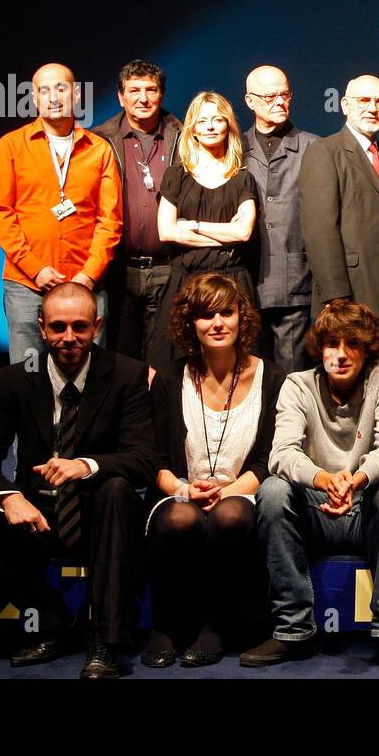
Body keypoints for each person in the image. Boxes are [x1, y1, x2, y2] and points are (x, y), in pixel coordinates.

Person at [0, 282, 157, 679]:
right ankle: (51, 624)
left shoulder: (126, 375)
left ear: (97, 326)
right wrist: (7, 497)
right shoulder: (12, 381)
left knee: (117, 490)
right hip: (39, 511)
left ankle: (106, 639)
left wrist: (85, 465)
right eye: (58, 327)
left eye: (80, 327)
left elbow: (144, 458)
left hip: (99, 511)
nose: (69, 338)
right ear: (41, 327)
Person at [242, 299, 379, 675]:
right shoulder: (297, 384)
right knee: (272, 490)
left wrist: (356, 479)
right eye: (331, 344)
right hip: (316, 509)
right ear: (318, 348)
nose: (340, 355)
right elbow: (282, 454)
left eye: (351, 344)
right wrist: (324, 479)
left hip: (366, 506)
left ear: (367, 348)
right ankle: (292, 628)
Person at [144, 273, 285, 669]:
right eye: (206, 315)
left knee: (231, 514)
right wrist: (183, 488)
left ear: (243, 318)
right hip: (178, 491)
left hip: (242, 493)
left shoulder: (272, 378)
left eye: (227, 312)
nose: (218, 323)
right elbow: (150, 455)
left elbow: (270, 457)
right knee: (180, 519)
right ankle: (168, 624)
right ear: (190, 323)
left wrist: (227, 491)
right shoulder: (170, 378)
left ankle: (216, 624)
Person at [0, 61, 120, 363]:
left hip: (86, 284)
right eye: (44, 90)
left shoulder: (98, 150)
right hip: (27, 285)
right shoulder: (11, 146)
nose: (53, 96)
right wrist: (35, 268)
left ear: (76, 95)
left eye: (61, 88)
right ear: (34, 99)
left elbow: (109, 220)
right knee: (28, 376)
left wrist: (89, 274)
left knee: (90, 378)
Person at [150, 91, 260, 369]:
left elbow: (244, 233)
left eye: (217, 120)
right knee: (173, 369)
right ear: (193, 129)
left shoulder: (242, 177)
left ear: (228, 126)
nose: (210, 126)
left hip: (233, 282)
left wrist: (195, 226)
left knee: (238, 367)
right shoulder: (176, 175)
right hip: (185, 283)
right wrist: (225, 234)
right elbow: (167, 231)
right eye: (202, 121)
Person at [299, 74, 379, 345]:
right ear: (345, 105)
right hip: (351, 294)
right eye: (363, 100)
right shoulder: (324, 152)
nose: (372, 108)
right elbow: (319, 230)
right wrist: (336, 298)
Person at [95, 59, 182, 363]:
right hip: (119, 269)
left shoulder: (185, 137)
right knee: (119, 360)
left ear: (161, 94)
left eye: (151, 89)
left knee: (165, 360)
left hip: (168, 267)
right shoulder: (99, 140)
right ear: (121, 97)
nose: (143, 98)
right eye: (134, 90)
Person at [242, 65, 318, 373]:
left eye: (285, 94)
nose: (280, 102)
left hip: (294, 280)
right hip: (247, 278)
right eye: (270, 96)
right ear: (250, 101)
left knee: (291, 377)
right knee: (250, 375)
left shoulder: (313, 147)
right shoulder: (234, 147)